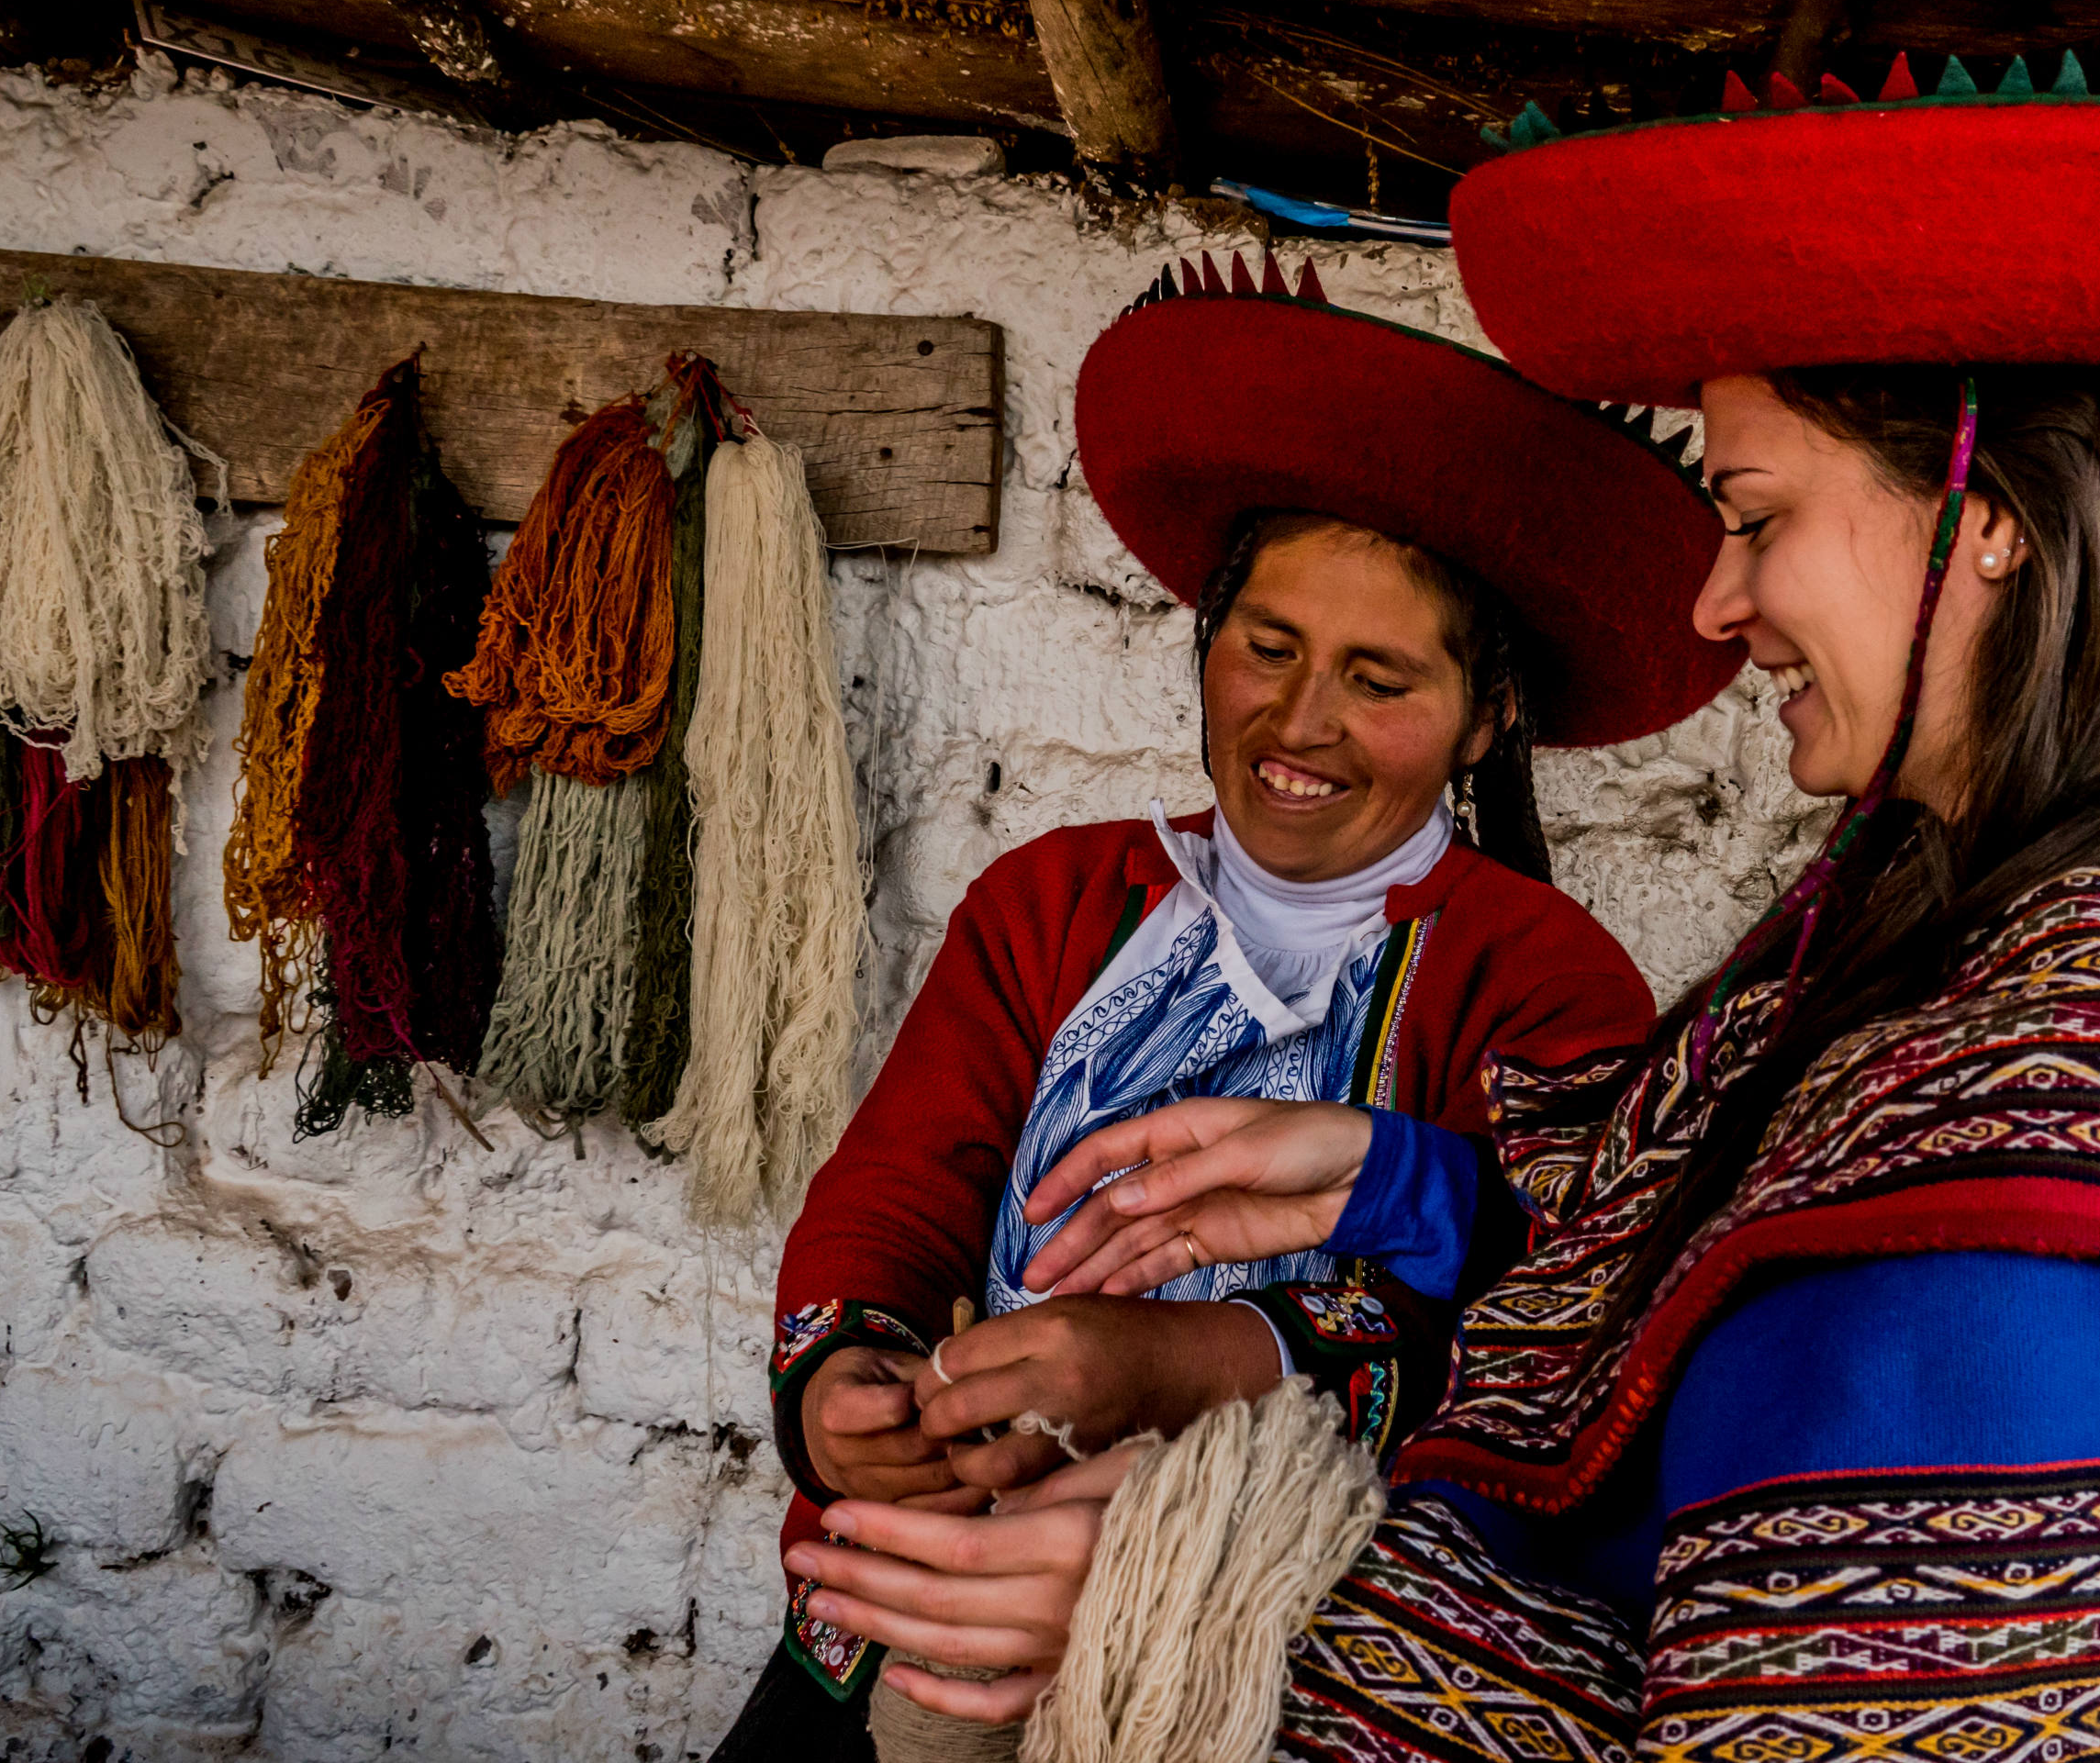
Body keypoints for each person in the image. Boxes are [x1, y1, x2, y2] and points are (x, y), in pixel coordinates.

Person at [779, 72, 2100, 1759]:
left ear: (1985, 517)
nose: (1718, 605)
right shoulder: (1936, 952)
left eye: (1752, 518)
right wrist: (1372, 1173)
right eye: (1264, 649)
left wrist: (1193, 1565)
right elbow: (1692, 1307)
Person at [709, 254, 1740, 1757]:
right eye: (1267, 648)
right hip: (950, 1595)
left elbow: (1537, 1310)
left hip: (1267, 1654)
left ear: (1488, 719)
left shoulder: (1538, 973)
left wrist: (1171, 1367)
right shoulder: (1057, 905)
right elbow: (900, 1184)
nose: (1298, 721)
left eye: (1379, 678)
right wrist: (842, 1380)